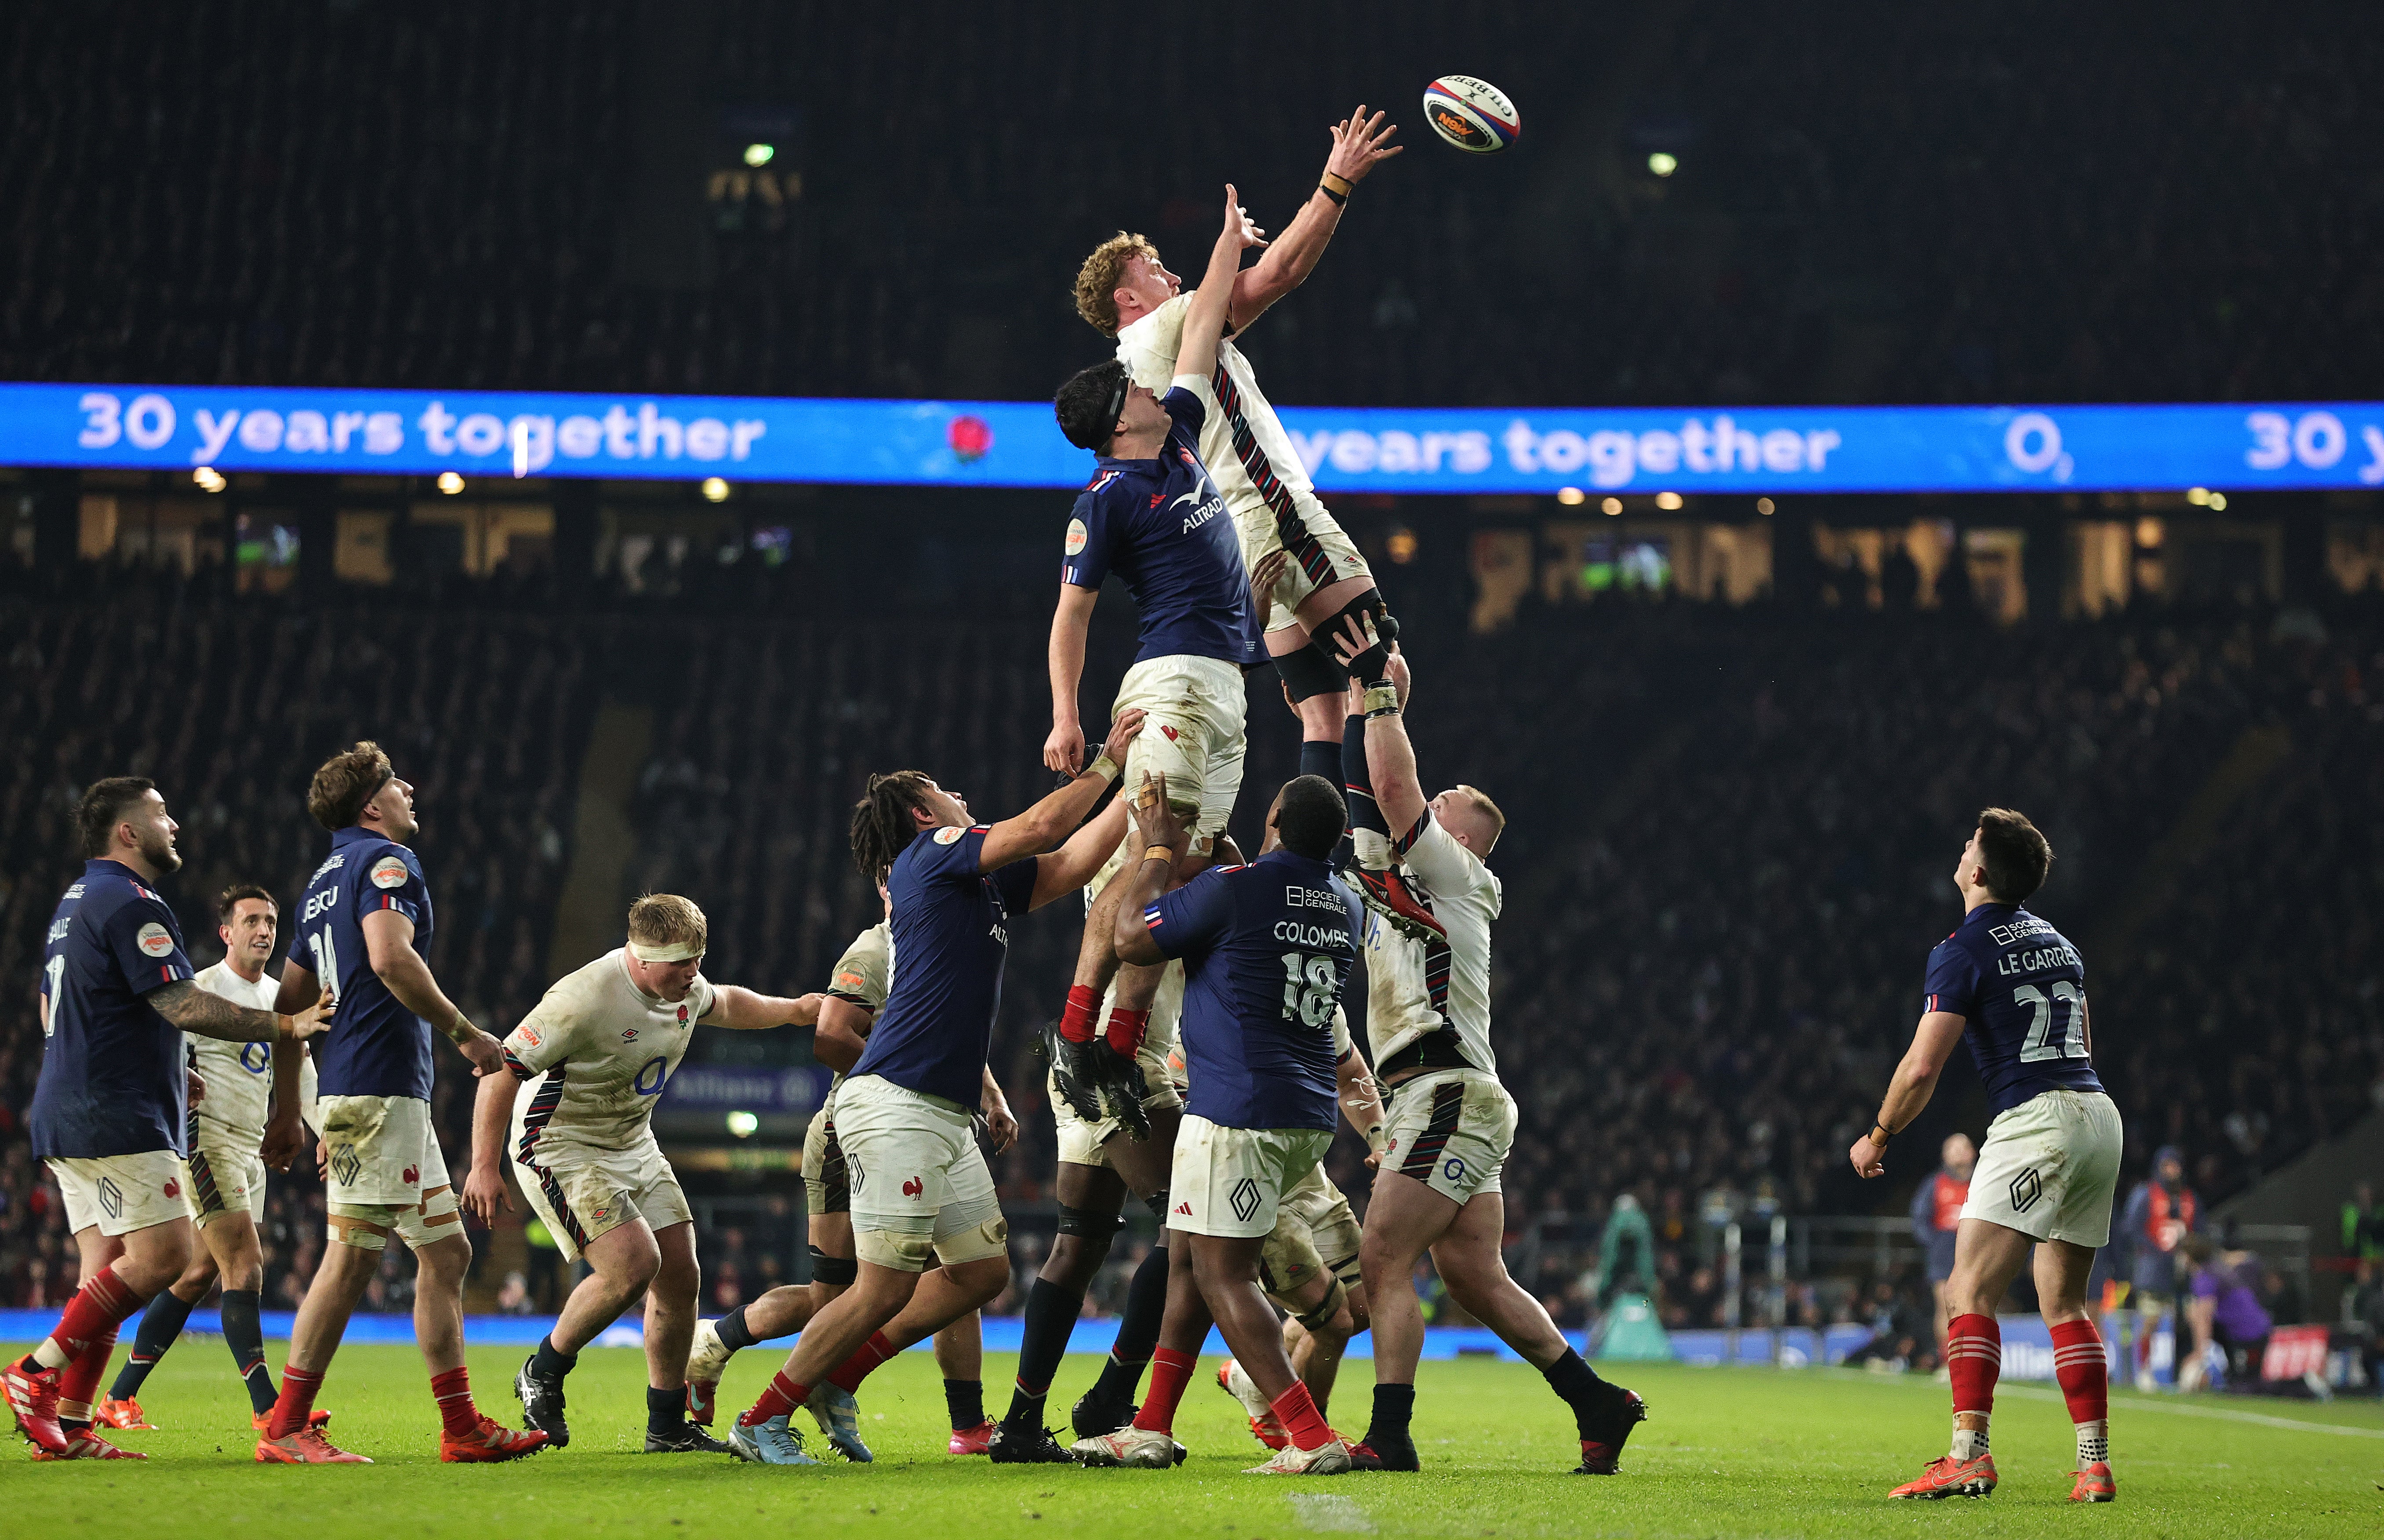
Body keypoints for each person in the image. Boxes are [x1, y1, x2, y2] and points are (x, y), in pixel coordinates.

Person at [725, 715, 1143, 1466]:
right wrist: (1112, 761)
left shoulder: (970, 880)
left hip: (940, 1108)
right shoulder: (932, 852)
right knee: (881, 1287)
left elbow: (1069, 861)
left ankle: (832, 1378)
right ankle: (761, 1418)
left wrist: (1139, 796)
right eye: (943, 791)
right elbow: (1045, 821)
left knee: (980, 1273)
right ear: (922, 814)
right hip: (896, 1098)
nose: (957, 795)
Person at [1326, 624, 1644, 1475]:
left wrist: (1384, 695)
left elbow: (1393, 787)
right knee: (1473, 1274)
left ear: (1459, 840)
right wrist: (1362, 707)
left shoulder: (1458, 876)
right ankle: (1598, 1404)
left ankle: (1389, 1435)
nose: (1426, 812)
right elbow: (1367, 797)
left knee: (1385, 1255)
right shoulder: (1410, 875)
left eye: (1442, 809)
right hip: (1454, 1091)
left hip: (1446, 1089)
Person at [1073, 106, 1405, 776]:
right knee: (1380, 669)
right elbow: (1278, 273)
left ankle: (1315, 865)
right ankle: (1377, 853)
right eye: (1155, 269)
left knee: (1322, 711)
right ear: (1126, 299)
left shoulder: (1139, 359)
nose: (1171, 276)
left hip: (1229, 535)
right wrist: (1334, 183)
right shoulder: (1165, 326)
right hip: (1270, 510)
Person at [7, 779, 330, 1460]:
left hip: (69, 1105)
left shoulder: (74, 902)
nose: (174, 824)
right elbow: (184, 1005)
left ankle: (71, 1424)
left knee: (109, 1271)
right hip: (118, 1112)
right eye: (160, 815)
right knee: (168, 1256)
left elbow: (51, 1008)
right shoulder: (132, 903)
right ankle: (34, 1375)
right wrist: (286, 1024)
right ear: (128, 832)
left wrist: (114, 1059)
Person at [1046, 182, 1266, 1143]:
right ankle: (1074, 1034)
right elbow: (1071, 615)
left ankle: (1125, 1045)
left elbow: (1207, 323)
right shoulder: (1107, 496)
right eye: (1134, 388)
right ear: (1116, 418)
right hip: (1173, 678)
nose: (1149, 381)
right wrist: (1066, 716)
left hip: (1227, 684)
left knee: (1174, 884)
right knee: (1153, 858)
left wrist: (1223, 246)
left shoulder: (1173, 434)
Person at [257, 741, 547, 1464]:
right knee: (351, 1257)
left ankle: (461, 1425)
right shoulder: (388, 863)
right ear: (371, 806)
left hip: (375, 1092)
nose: (409, 788)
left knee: (445, 1251)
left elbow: (288, 1006)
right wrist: (466, 1032)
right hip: (377, 1088)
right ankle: (287, 1424)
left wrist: (291, 1107)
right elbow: (390, 956)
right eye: (395, 783)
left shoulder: (320, 881)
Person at [1070, 771, 1360, 1475]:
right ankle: (1151, 1428)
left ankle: (1308, 1435)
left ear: (1275, 816)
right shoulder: (1345, 904)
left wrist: (1162, 853)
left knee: (1224, 1274)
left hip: (1236, 1109)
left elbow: (1136, 937)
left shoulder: (1238, 889)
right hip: (1306, 1113)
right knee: (1191, 1267)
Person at [459, 894, 821, 1454]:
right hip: (559, 1143)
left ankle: (667, 1427)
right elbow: (500, 1072)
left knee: (681, 1276)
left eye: (698, 961)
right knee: (634, 1263)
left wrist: (796, 1010)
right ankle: (543, 1370)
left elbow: (726, 1003)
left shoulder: (682, 982)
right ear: (642, 957)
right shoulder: (582, 998)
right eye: (682, 964)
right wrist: (483, 1166)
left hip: (631, 1139)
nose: (692, 975)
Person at [685, 884, 1018, 1458]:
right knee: (840, 1301)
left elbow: (947, 1036)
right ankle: (718, 1344)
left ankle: (963, 1423)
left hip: (933, 1123)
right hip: (856, 1135)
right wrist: (913, 1088)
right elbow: (832, 1035)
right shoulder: (876, 952)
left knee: (967, 1273)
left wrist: (989, 1093)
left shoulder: (949, 945)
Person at [1848, 809, 2121, 1504]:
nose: (1962, 849)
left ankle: (1968, 1455)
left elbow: (1920, 1070)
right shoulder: (2062, 944)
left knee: (1967, 1292)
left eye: (1969, 844)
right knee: (2065, 1300)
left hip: (2037, 1119)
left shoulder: (1963, 948)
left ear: (1977, 871)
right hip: (2098, 1116)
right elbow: (2085, 1040)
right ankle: (2094, 1463)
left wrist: (1878, 1136)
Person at [96, 883, 324, 1433]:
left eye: (271, 921)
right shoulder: (199, 989)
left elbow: (302, 1070)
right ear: (227, 932)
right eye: (251, 921)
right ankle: (271, 1411)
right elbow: (154, 1049)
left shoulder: (280, 998)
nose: (264, 930)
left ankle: (118, 1399)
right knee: (246, 1264)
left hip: (249, 1146)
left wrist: (325, 1132)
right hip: (204, 1141)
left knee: (199, 1272)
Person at [1214, 1008, 1382, 1449]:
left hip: (1311, 1175)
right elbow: (1180, 1086)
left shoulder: (1321, 993)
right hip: (1254, 1177)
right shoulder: (1228, 991)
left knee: (1364, 1306)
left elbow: (1351, 1075)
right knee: (1334, 1323)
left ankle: (1251, 1379)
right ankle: (1311, 1435)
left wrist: (1379, 1137)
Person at [2115, 1145, 2197, 1391]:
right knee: (2150, 1321)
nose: (2172, 1172)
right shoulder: (2145, 1194)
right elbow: (2130, 1228)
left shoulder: (2189, 1198)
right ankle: (2144, 1371)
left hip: (2182, 1274)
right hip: (2152, 1272)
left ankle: (2182, 1373)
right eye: (2167, 1166)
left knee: (2184, 1322)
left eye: (2176, 1166)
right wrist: (2154, 1252)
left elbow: (2199, 1231)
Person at [1910, 1133, 1977, 1369]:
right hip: (1944, 1249)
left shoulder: (1983, 1181)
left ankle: (1976, 1362)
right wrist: (1934, 1243)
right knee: (1945, 1306)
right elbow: (1919, 1218)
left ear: (1973, 1152)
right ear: (1944, 1155)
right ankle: (1948, 1362)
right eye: (1953, 1148)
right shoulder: (1935, 1183)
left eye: (1964, 1147)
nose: (1959, 1153)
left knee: (1978, 1305)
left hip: (1976, 1249)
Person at [2179, 1236, 2272, 1392]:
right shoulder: (2214, 1269)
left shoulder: (2206, 1278)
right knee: (2239, 1382)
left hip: (2249, 1334)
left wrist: (2199, 1354)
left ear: (2189, 1256)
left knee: (2248, 1387)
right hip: (2242, 1331)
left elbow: (2204, 1318)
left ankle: (2301, 1388)